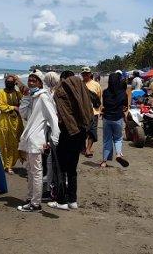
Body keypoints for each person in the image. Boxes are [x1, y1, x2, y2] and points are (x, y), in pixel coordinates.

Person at [17, 71, 60, 212]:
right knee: (30, 170)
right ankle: (30, 198)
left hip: (36, 140)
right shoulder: (33, 97)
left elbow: (53, 118)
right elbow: (25, 115)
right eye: (29, 80)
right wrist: (25, 98)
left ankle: (35, 203)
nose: (30, 82)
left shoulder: (43, 97)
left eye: (34, 80)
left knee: (36, 172)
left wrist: (54, 137)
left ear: (40, 83)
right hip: (30, 139)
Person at [49, 75, 94, 210]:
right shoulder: (82, 94)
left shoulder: (62, 94)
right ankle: (72, 200)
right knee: (72, 169)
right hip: (81, 133)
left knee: (61, 168)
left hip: (67, 133)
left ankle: (61, 201)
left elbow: (62, 115)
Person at [0, 75, 25, 174]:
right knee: (5, 143)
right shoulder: (1, 92)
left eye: (11, 82)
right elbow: (0, 105)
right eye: (7, 81)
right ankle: (6, 165)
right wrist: (13, 108)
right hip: (5, 121)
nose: (9, 83)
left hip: (16, 121)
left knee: (15, 142)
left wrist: (19, 82)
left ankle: (11, 164)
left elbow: (26, 97)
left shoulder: (17, 93)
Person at [100, 72, 129, 168]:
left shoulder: (105, 92)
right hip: (118, 118)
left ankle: (104, 162)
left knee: (107, 140)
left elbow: (104, 105)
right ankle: (118, 154)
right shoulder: (123, 93)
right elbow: (125, 107)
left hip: (107, 118)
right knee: (118, 138)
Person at [81, 67, 102, 158]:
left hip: (94, 112)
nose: (85, 75)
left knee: (92, 131)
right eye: (84, 74)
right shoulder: (79, 84)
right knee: (82, 132)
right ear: (82, 74)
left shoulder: (96, 85)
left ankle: (88, 149)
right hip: (81, 112)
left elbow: (98, 98)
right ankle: (83, 148)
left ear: (90, 74)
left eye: (87, 73)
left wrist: (99, 110)